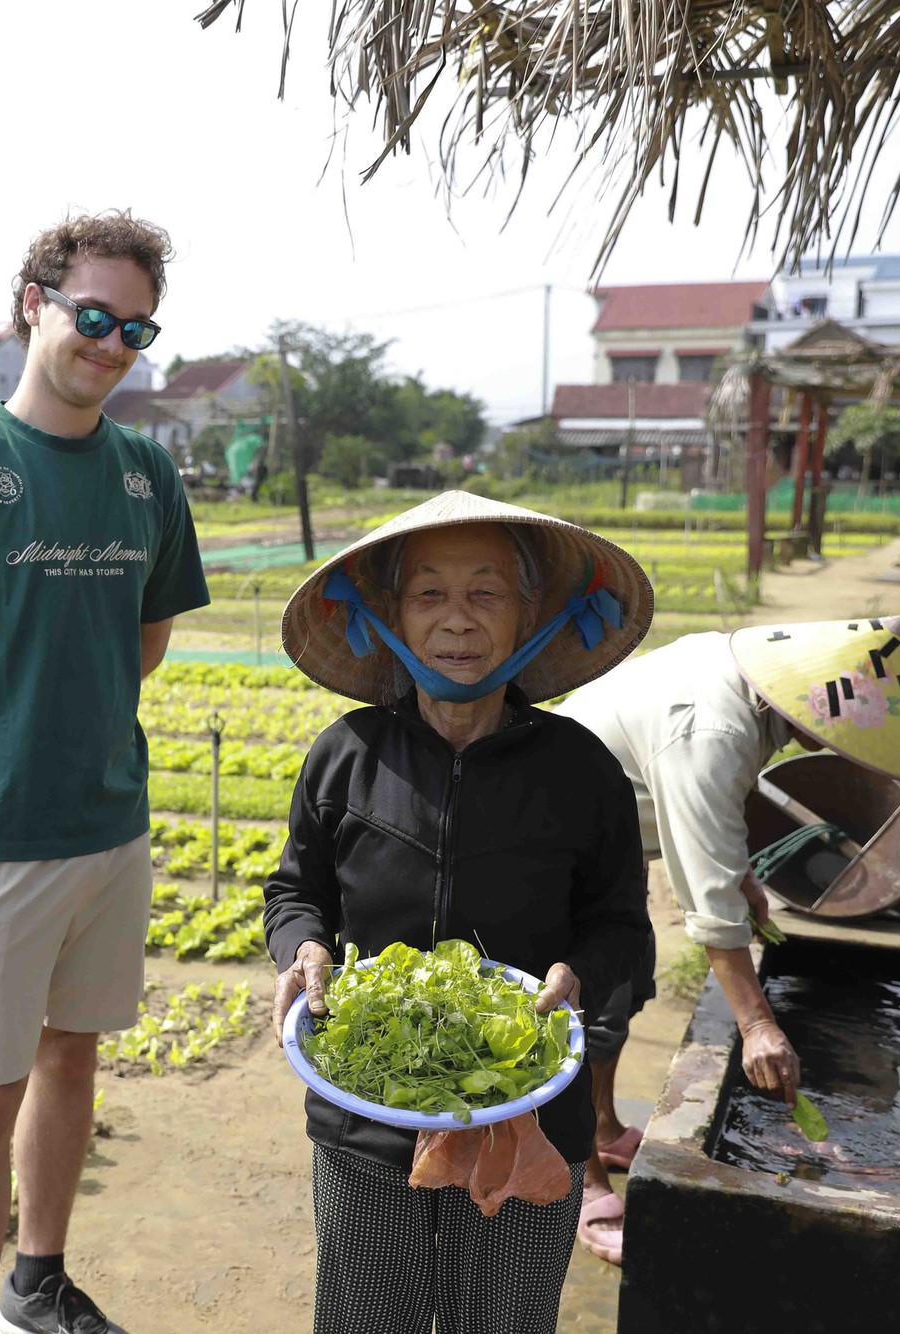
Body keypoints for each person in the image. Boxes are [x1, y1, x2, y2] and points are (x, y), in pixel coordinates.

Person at [0, 211, 208, 1334]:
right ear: (32, 305)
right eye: (92, 316)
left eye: (135, 328)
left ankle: (38, 1280)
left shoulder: (147, 473)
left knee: (72, 1058)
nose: (111, 345)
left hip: (110, 824)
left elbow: (145, 635)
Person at [266, 492, 654, 1334]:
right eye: (430, 595)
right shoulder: (347, 754)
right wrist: (302, 950)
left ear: (529, 617)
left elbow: (624, 924)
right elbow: (296, 890)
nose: (458, 621)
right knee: (367, 1320)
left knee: (506, 1323)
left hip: (528, 1114)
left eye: (486, 594)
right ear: (393, 617)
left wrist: (579, 972)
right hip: (365, 1114)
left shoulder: (581, 771)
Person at [553, 630, 810, 1264]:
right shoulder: (714, 728)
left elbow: (712, 809)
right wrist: (757, 1025)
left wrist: (740, 871)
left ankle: (605, 1128)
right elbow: (709, 901)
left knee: (624, 986)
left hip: (612, 838)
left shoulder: (749, 680)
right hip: (557, 846)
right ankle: (581, 1181)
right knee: (574, 1012)